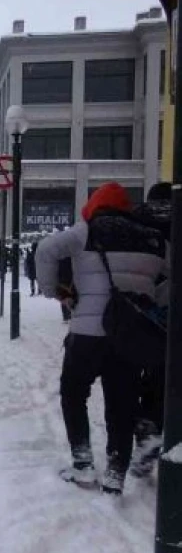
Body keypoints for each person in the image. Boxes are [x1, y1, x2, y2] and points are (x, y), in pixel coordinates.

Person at [35, 182, 168, 495]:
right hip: (130, 334)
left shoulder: (86, 231)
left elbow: (45, 249)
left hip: (87, 332)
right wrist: (153, 300)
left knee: (73, 392)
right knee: (121, 402)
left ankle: (82, 463)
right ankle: (116, 472)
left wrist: (53, 290)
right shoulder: (152, 238)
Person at [130, 182, 172, 477]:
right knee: (160, 376)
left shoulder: (136, 223)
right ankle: (151, 429)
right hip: (164, 308)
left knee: (141, 374)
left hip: (142, 307)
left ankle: (147, 430)